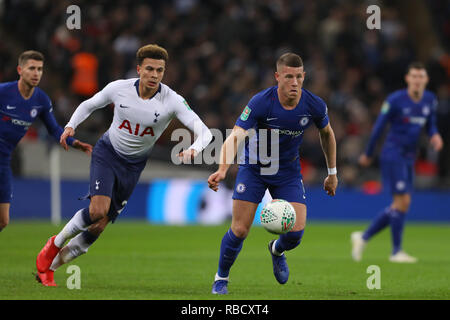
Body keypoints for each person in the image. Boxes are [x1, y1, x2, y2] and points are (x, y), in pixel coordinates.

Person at [35, 44, 213, 286]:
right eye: (149, 69)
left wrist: (194, 149)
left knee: (98, 227)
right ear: (139, 69)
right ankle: (53, 245)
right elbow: (89, 104)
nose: (154, 75)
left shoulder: (172, 100)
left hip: (133, 167)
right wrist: (70, 126)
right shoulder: (119, 89)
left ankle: (49, 269)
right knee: (98, 210)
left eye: (160, 70)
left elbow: (204, 132)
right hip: (108, 153)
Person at [207, 53, 338, 294]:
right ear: (278, 77)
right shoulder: (260, 102)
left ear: (304, 77)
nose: (295, 82)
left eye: (299, 77)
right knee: (239, 230)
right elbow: (235, 135)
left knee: (296, 234)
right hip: (254, 169)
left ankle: (276, 249)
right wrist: (223, 169)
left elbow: (327, 134)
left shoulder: (314, 104)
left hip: (287, 171)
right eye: (289, 77)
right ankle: (221, 278)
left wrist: (332, 172)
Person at [352, 62, 444, 263]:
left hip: (409, 157)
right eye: (414, 76)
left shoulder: (429, 100)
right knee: (402, 202)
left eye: (421, 77)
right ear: (408, 79)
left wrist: (435, 135)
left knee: (401, 204)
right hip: (393, 155)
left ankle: (364, 237)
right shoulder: (395, 100)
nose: (418, 80)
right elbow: (379, 127)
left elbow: (431, 124)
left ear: (426, 80)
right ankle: (396, 252)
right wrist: (368, 153)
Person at [0, 50, 92, 232]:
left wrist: (74, 143)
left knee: (3, 220)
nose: (36, 73)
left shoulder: (41, 100)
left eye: (40, 69)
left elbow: (54, 129)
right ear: (20, 70)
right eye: (31, 68)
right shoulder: (4, 92)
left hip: (4, 161)